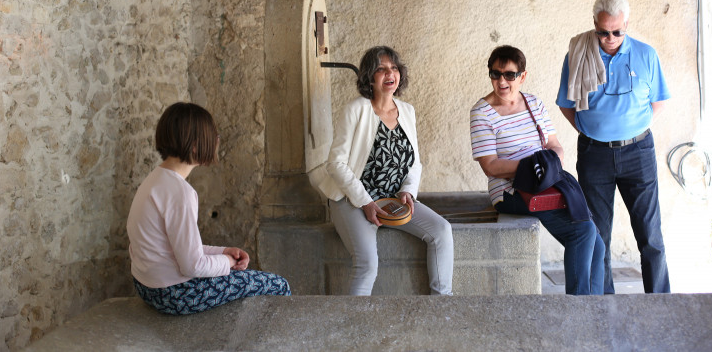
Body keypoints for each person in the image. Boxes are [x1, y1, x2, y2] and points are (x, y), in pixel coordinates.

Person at [312, 46, 454, 295]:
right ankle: (356, 328)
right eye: (381, 69)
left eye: (394, 68)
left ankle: (441, 305)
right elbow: (335, 163)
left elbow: (414, 162)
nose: (390, 73)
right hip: (352, 200)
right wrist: (366, 202)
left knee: (441, 231)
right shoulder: (356, 110)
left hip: (393, 200)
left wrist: (408, 191)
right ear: (369, 77)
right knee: (367, 265)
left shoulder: (407, 111)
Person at [127, 102, 291, 315]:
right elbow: (192, 266)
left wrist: (222, 252)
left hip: (146, 287)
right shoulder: (180, 192)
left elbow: (178, 248)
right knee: (278, 285)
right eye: (214, 135)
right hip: (175, 294)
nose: (216, 141)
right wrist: (228, 262)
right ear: (195, 144)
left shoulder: (154, 180)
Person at [556, 0, 670, 294]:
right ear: (595, 24)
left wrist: (637, 129)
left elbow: (658, 101)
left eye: (617, 32)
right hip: (595, 155)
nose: (609, 38)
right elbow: (566, 104)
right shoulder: (578, 55)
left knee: (650, 235)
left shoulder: (646, 55)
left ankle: (661, 304)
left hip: (638, 152)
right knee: (598, 236)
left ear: (627, 25)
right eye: (603, 31)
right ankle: (604, 306)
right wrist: (587, 129)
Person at [470, 45, 604, 295]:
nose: (502, 81)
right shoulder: (482, 113)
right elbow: (490, 166)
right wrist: (532, 168)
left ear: (522, 76)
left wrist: (553, 163)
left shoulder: (533, 103)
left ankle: (595, 309)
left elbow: (554, 145)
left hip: (547, 181)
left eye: (509, 75)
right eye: (495, 74)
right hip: (510, 191)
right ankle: (579, 310)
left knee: (597, 243)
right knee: (583, 231)